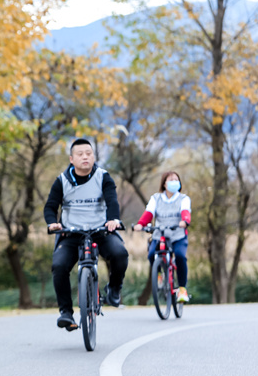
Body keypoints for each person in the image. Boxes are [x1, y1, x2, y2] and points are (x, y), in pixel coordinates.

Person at [44, 138, 129, 331]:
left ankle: (114, 289)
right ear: (71, 159)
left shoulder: (103, 176)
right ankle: (66, 312)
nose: (85, 157)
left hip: (100, 231)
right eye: (80, 154)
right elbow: (50, 206)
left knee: (120, 253)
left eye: (88, 153)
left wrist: (113, 219)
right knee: (58, 265)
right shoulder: (62, 180)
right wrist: (52, 223)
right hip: (72, 233)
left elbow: (112, 201)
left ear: (94, 156)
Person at [133, 171, 191, 303]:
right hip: (160, 234)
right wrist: (141, 224)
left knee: (180, 257)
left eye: (177, 179)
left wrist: (185, 221)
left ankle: (182, 289)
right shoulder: (156, 198)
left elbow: (185, 212)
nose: (174, 182)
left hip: (178, 235)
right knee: (151, 254)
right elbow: (149, 213)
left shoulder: (183, 199)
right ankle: (159, 274)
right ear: (164, 183)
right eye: (171, 180)